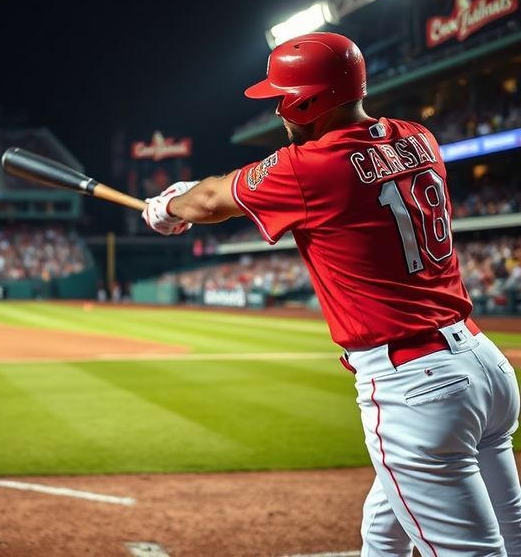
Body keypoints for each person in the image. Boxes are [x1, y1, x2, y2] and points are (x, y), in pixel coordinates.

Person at [142, 32, 521, 555]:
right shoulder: (419, 136)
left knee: (469, 551)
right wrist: (183, 201)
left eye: (282, 97)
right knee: (388, 534)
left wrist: (167, 206)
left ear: (309, 100)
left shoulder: (311, 167)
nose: (278, 109)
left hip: (416, 385)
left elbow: (209, 199)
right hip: (484, 366)